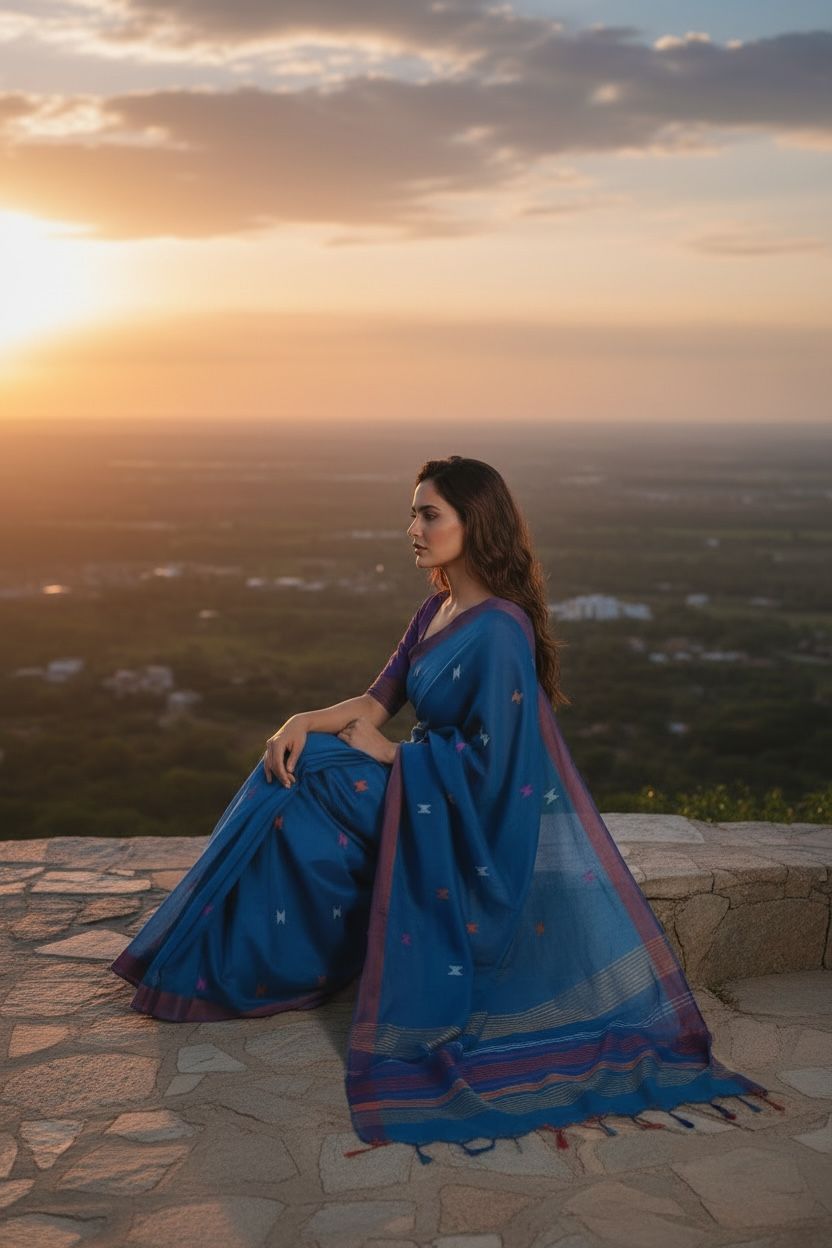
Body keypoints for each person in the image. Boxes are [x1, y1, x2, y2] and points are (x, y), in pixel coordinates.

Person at [110, 455, 781, 1161]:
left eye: (429, 514)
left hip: (467, 821)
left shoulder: (500, 629)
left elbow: (499, 766)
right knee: (293, 765)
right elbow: (376, 702)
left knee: (310, 785)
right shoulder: (437, 608)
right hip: (427, 789)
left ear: (475, 522)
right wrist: (301, 717)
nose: (413, 528)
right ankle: (224, 958)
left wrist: (393, 756)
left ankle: (237, 965)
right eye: (413, 513)